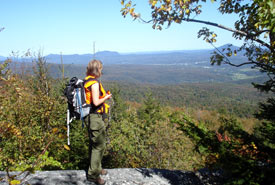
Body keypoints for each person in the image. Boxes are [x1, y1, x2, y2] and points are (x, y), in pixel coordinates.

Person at [84, 59, 112, 185]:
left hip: (89, 117)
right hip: (94, 117)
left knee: (94, 144)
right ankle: (93, 175)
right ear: (97, 69)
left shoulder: (86, 81)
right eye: (100, 68)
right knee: (99, 146)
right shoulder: (94, 83)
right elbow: (95, 102)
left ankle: (97, 168)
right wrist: (106, 97)